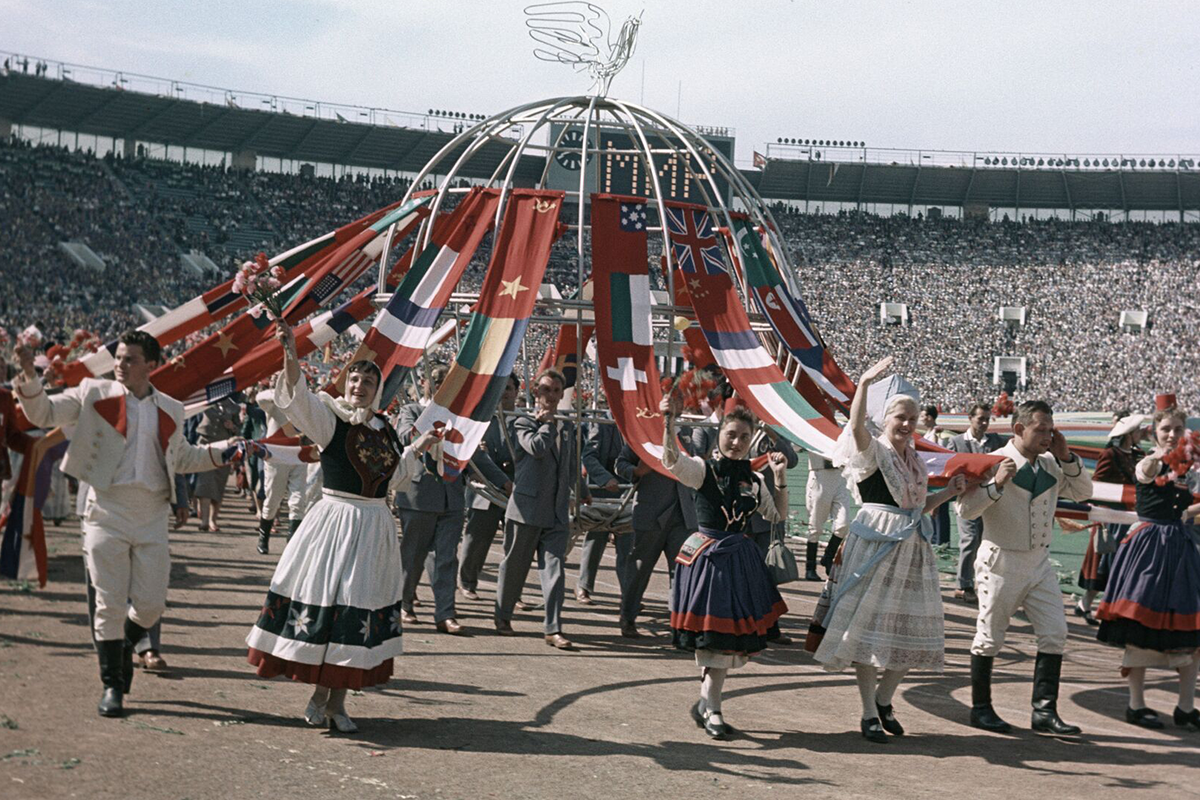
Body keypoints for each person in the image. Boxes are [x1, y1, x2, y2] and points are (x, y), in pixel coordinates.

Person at [14, 331, 234, 717]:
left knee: (150, 605)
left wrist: (223, 452)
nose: (120, 364)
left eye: (130, 359)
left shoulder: (170, 408)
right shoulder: (93, 393)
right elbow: (43, 414)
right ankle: (112, 686)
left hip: (150, 514)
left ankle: (122, 652)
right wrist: (29, 374)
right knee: (109, 603)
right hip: (106, 509)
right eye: (118, 357)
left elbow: (182, 458)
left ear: (151, 366)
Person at [246, 320, 440, 733]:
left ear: (379, 389)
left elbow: (395, 476)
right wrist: (291, 355)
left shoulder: (384, 430)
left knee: (357, 612)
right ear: (345, 381)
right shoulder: (331, 420)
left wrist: (419, 447)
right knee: (331, 607)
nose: (360, 385)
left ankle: (336, 701)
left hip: (374, 529)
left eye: (369, 380)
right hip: (335, 524)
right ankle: (321, 696)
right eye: (355, 377)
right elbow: (298, 400)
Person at [812, 357, 967, 743]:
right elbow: (854, 426)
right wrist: (863, 384)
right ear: (885, 418)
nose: (907, 424)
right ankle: (868, 712)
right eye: (900, 416)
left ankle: (883, 698)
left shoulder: (913, 459)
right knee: (867, 629)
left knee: (914, 630)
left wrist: (947, 493)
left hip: (912, 548)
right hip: (876, 545)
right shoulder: (873, 450)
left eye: (912, 418)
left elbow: (916, 507)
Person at [957, 399, 1093, 735]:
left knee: (1055, 633)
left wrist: (1067, 457)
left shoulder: (1050, 463)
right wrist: (996, 484)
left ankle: (1044, 711)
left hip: (1039, 563)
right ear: (1019, 429)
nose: (1048, 435)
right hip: (1001, 560)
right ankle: (982, 709)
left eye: (1051, 429)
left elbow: (1083, 492)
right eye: (1041, 429)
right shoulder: (993, 462)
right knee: (989, 637)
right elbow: (966, 511)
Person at [660, 390, 789, 740]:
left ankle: (707, 705)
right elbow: (671, 461)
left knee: (726, 641)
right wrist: (669, 421)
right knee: (715, 640)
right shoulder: (702, 469)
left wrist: (779, 477)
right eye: (731, 434)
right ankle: (713, 709)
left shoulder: (754, 479)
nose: (737, 442)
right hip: (707, 562)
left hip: (739, 563)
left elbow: (776, 515)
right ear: (720, 433)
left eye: (744, 437)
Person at [1095, 403, 1200, 731]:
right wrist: (1171, 457)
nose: (1171, 434)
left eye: (1177, 430)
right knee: (1140, 625)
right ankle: (1136, 704)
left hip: (1181, 549)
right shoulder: (1149, 462)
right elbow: (1150, 471)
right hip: (1149, 549)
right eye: (1166, 428)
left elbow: (1189, 503)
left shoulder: (1187, 467)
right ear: (1155, 431)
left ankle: (1186, 706)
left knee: (1190, 629)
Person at [494, 368, 590, 649]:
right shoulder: (522, 421)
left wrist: (583, 491)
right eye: (546, 390)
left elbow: (571, 462)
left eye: (556, 391)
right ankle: (503, 615)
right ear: (536, 391)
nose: (550, 396)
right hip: (526, 508)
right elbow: (535, 447)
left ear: (562, 395)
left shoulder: (567, 426)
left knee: (555, 571)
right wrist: (547, 424)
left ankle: (553, 628)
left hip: (557, 512)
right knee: (514, 567)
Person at [395, 363, 467, 635]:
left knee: (446, 557)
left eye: (446, 382)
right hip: (419, 496)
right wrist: (427, 422)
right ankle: (404, 603)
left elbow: (472, 452)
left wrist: (503, 482)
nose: (441, 386)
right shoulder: (412, 411)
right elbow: (403, 437)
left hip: (452, 496)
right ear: (426, 384)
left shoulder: (459, 417)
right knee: (413, 556)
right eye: (437, 381)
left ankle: (445, 614)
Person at [614, 419, 698, 639]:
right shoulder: (645, 433)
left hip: (682, 514)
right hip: (651, 515)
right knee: (639, 569)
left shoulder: (687, 433)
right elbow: (620, 463)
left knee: (681, 573)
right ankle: (628, 617)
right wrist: (638, 471)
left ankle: (679, 626)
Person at [1077, 414, 1143, 622]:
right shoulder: (1110, 454)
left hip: (1129, 515)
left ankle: (1087, 605)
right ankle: (1093, 605)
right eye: (1138, 430)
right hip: (1110, 516)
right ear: (1129, 434)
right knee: (1104, 563)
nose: (1141, 433)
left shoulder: (1136, 455)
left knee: (1115, 563)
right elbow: (1098, 484)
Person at [458, 374, 518, 601]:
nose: (505, 393)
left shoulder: (522, 419)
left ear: (516, 392)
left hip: (515, 488)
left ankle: (513, 591)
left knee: (515, 544)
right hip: (486, 487)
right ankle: (467, 582)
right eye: (501, 389)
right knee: (478, 538)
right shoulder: (482, 420)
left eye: (509, 389)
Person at [948, 402, 1006, 603]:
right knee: (970, 539)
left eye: (987, 419)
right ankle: (963, 585)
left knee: (987, 542)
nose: (984, 423)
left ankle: (982, 582)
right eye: (980, 418)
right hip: (966, 500)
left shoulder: (996, 441)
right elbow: (947, 470)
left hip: (990, 501)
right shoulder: (956, 442)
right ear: (970, 418)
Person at [575, 412, 631, 606]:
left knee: (627, 543)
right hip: (603, 491)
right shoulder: (602, 423)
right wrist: (605, 479)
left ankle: (627, 592)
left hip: (628, 491)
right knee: (595, 539)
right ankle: (584, 586)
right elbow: (589, 456)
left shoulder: (636, 421)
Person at [255, 387, 314, 554]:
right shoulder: (274, 402)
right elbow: (260, 397)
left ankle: (291, 542)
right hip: (277, 455)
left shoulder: (304, 404)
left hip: (298, 454)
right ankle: (263, 537)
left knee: (298, 499)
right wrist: (282, 393)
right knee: (273, 498)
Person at [192, 396, 240, 531]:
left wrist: (233, 427)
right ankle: (205, 521)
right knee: (205, 482)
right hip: (206, 444)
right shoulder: (203, 401)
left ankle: (213, 520)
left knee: (219, 484)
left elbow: (239, 429)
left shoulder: (233, 406)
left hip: (224, 448)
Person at [803, 449, 852, 581]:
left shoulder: (844, 428)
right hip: (819, 474)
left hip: (840, 475)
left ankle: (828, 557)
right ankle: (810, 568)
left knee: (843, 524)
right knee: (815, 526)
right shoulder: (814, 429)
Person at [918, 405, 952, 546]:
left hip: (939, 474)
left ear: (930, 417)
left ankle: (942, 540)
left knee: (940, 507)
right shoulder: (928, 434)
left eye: (923, 416)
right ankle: (936, 537)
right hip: (929, 474)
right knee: (932, 507)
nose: (921, 419)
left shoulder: (939, 435)